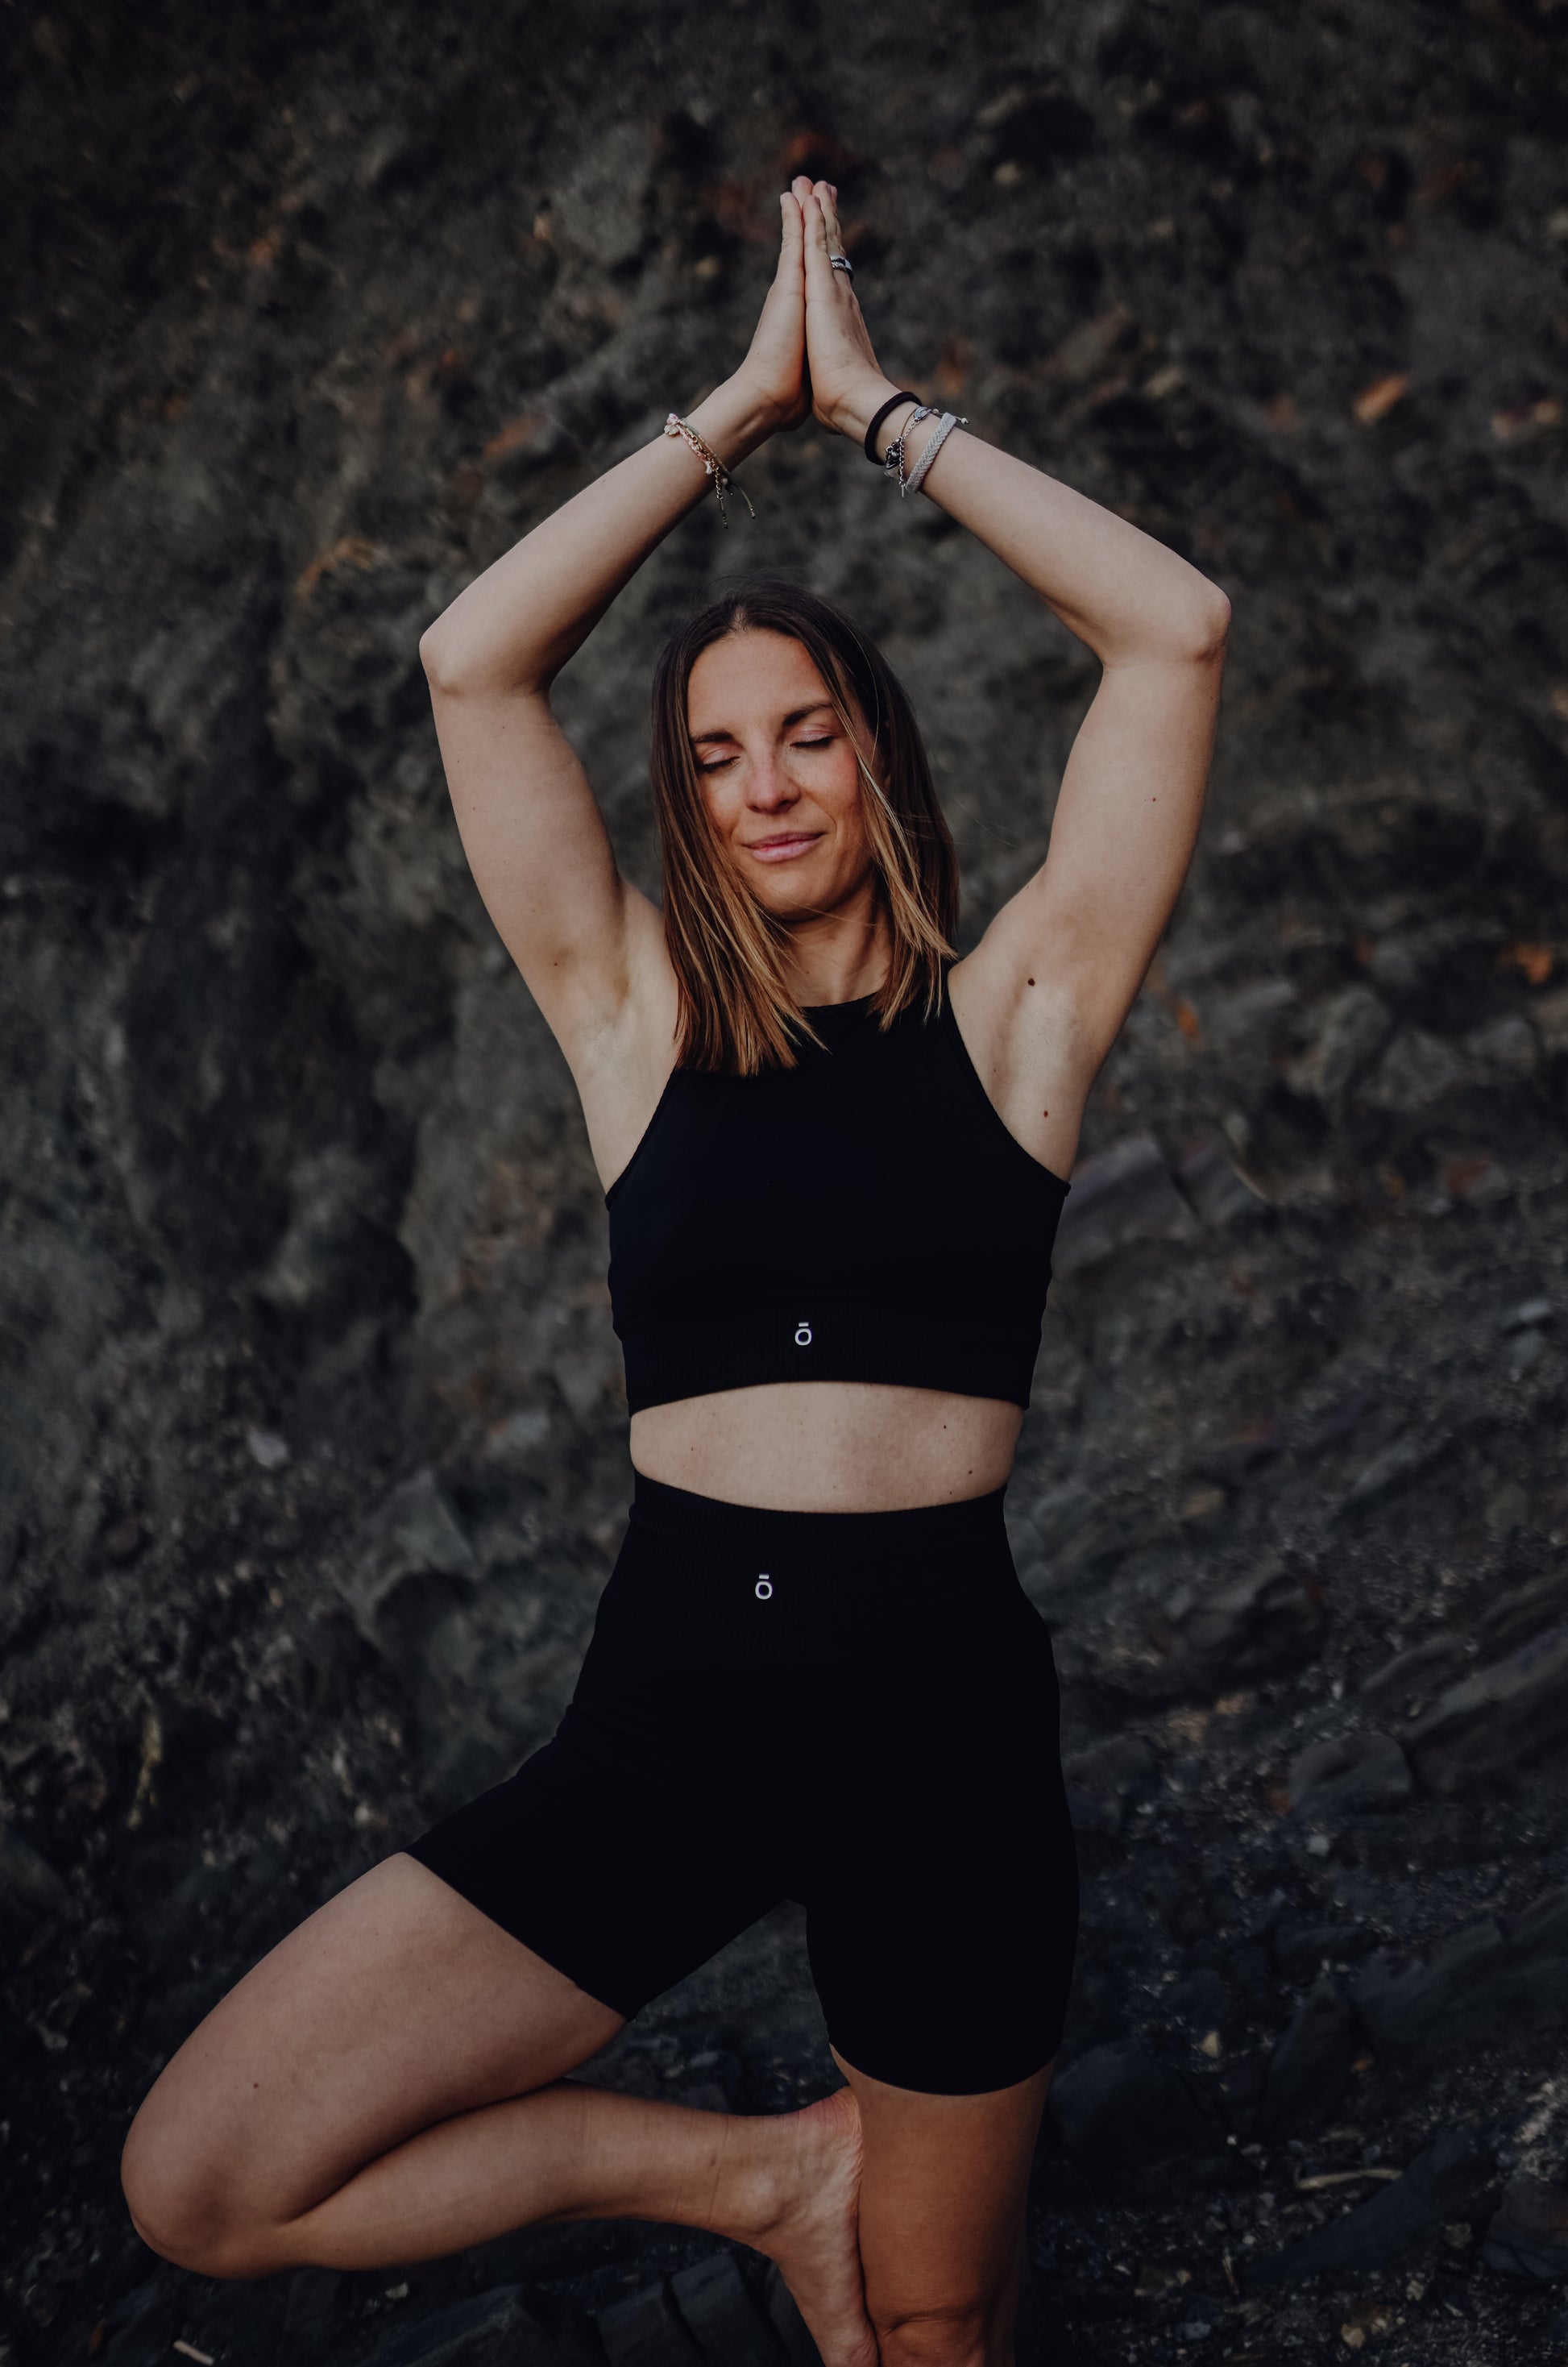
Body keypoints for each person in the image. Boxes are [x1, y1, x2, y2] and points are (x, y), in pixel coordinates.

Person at [122, 176, 1228, 2367]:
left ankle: (857, 2218)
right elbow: (470, 661)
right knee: (210, 2180)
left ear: (876, 750)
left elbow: (1174, 631)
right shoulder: (629, 1024)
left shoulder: (1022, 1014)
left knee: (938, 2337)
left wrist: (876, 409)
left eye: (805, 731)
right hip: (670, 1732)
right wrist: (735, 410)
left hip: (941, 1741)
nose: (763, 786)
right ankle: (761, 2178)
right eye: (713, 756)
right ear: (684, 802)